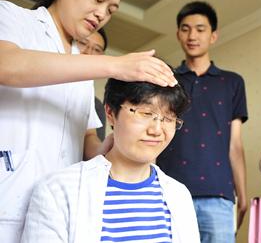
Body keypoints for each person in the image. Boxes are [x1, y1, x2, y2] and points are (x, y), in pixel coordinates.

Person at [0, 0, 177, 242]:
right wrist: (116, 64)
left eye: (110, 10)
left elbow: (88, 145)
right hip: (7, 202)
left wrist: (120, 142)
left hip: (61, 210)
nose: (101, 14)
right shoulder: (12, 17)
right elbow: (8, 66)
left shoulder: (79, 67)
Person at [21, 78, 200, 243]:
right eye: (145, 113)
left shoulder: (179, 195)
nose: (156, 130)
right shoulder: (58, 190)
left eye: (168, 118)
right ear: (110, 112)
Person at [156, 1, 248, 242]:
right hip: (167, 189)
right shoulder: (166, 79)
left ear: (213, 35)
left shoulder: (232, 82)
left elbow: (235, 145)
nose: (192, 35)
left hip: (218, 194)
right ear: (178, 34)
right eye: (185, 29)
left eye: (200, 29)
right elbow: (155, 132)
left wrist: (242, 194)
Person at [76, 28, 109, 141]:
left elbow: (92, 143)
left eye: (96, 49)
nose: (88, 52)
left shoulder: (96, 105)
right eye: (82, 43)